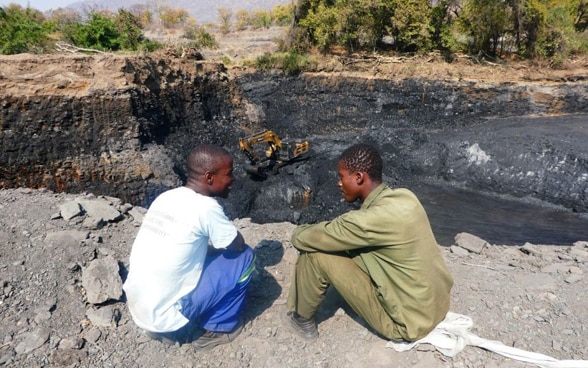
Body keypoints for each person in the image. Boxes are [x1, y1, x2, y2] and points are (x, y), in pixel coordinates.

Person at [284, 143, 453, 342]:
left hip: (407, 325)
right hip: (437, 306)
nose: (339, 183)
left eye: (341, 177)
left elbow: (302, 238)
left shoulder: (364, 222)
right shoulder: (406, 197)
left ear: (358, 177)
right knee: (348, 246)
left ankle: (301, 319)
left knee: (315, 253)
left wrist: (299, 232)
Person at [123, 144, 255, 349]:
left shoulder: (167, 197)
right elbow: (236, 245)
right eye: (229, 174)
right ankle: (216, 329)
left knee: (208, 251)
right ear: (209, 177)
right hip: (166, 317)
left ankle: (165, 322)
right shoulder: (206, 208)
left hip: (141, 306)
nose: (233, 180)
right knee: (245, 258)